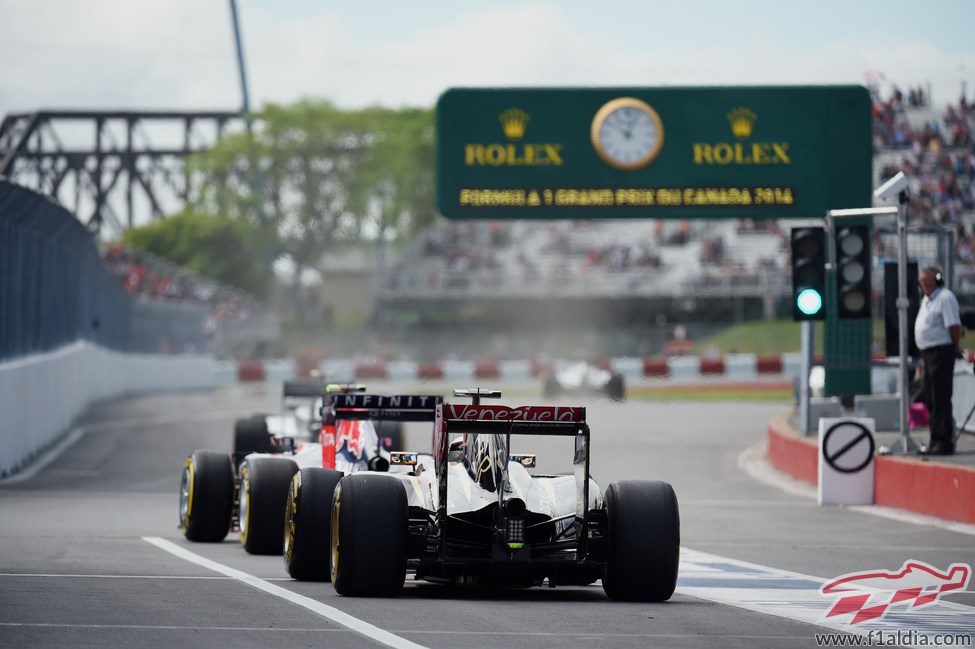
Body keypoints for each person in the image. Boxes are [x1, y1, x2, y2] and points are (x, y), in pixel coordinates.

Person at [914, 266, 962, 455]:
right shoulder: (927, 300)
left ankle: (943, 441)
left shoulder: (945, 298)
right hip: (928, 354)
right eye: (922, 280)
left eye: (928, 279)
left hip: (940, 352)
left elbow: (954, 326)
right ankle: (935, 439)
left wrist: (954, 346)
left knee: (940, 397)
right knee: (930, 398)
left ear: (937, 279)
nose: (924, 283)